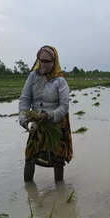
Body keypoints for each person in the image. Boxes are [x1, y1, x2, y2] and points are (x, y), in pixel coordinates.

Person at [19, 45, 72, 182]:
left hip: (55, 123)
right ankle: (28, 188)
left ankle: (60, 192)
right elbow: (24, 100)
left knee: (58, 159)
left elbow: (64, 106)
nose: (43, 64)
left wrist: (48, 115)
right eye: (41, 60)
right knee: (30, 156)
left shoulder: (60, 81)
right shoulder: (32, 77)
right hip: (36, 123)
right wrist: (25, 121)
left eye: (47, 61)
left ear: (54, 62)